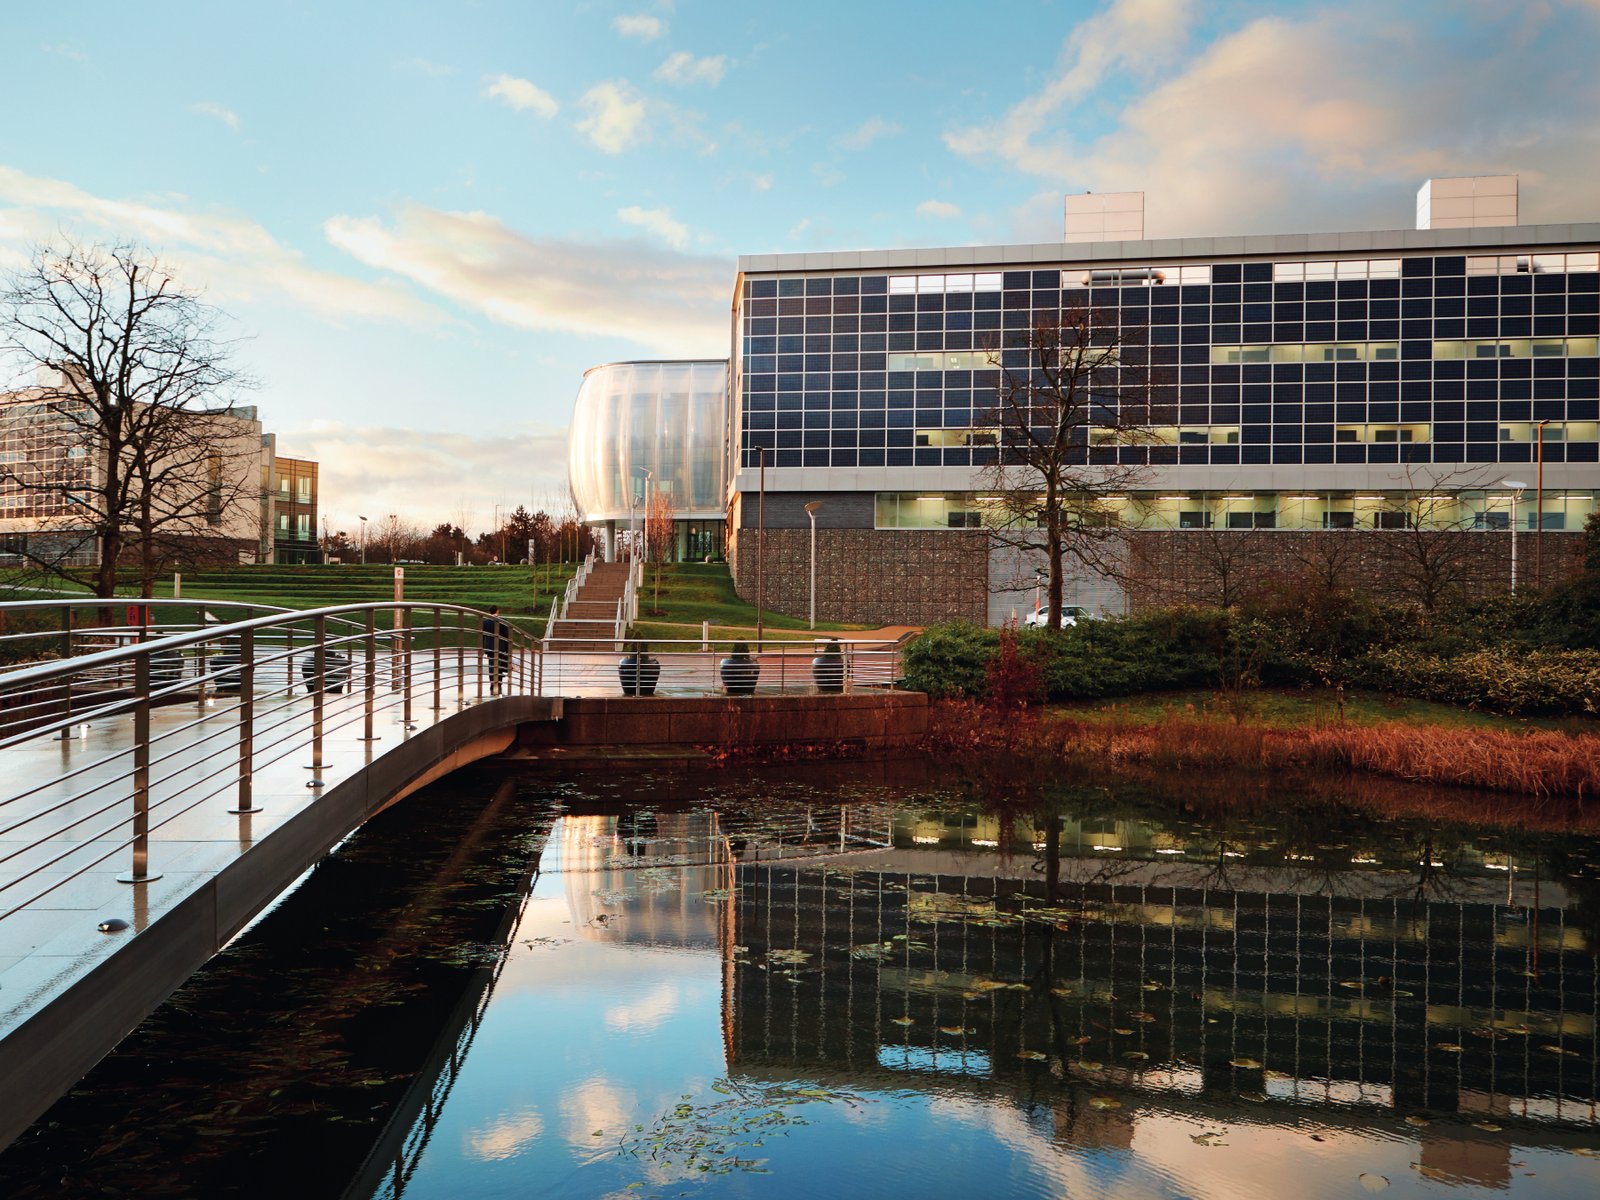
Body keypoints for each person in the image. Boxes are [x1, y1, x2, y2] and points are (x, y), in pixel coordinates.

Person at [481, 604, 511, 693]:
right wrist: (507, 649)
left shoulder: (485, 622)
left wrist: (483, 647)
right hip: (500, 647)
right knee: (500, 665)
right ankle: (499, 683)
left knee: (491, 666)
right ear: (497, 611)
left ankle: (492, 683)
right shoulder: (503, 621)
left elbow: (482, 635)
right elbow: (506, 636)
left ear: (489, 612)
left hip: (490, 647)